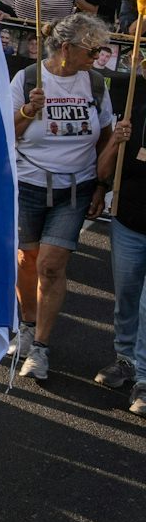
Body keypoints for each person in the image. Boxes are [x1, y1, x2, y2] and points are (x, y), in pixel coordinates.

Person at [10, 13, 114, 382]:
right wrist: (27, 110)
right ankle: (25, 325)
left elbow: (104, 136)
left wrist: (102, 187)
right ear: (66, 49)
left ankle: (40, 348)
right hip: (28, 184)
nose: (98, 56)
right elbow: (6, 133)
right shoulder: (27, 79)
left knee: (50, 265)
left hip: (75, 187)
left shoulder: (96, 85)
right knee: (26, 260)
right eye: (92, 50)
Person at [95, 79, 146, 416]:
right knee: (127, 294)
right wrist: (117, 140)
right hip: (128, 218)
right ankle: (125, 358)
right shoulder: (134, 98)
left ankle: (143, 376)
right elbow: (106, 167)